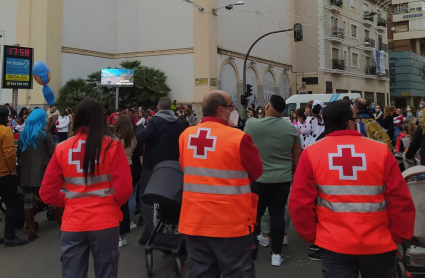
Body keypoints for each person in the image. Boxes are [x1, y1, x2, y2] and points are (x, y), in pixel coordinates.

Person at [289, 99, 415, 278]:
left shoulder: (311, 153)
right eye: (355, 119)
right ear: (349, 123)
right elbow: (400, 199)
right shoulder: (380, 151)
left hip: (334, 244)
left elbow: (299, 202)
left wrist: (313, 235)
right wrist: (398, 236)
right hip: (379, 243)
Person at [40, 98, 133, 278]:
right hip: (106, 223)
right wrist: (109, 203)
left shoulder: (62, 148)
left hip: (73, 224)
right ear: (101, 119)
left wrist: (67, 200)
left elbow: (46, 193)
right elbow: (124, 191)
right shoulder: (113, 146)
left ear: (77, 118)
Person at [179, 90, 263, 277]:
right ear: (220, 110)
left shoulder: (186, 135)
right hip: (231, 223)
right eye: (231, 106)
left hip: (194, 221)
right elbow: (257, 172)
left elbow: (186, 167)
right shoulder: (238, 138)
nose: (233, 110)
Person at [245, 95, 301, 266]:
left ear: (267, 105)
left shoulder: (252, 124)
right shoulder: (291, 128)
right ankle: (276, 255)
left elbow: (244, 149)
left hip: (258, 179)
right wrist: (292, 174)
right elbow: (297, 157)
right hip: (282, 179)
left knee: (254, 215)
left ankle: (249, 250)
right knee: (277, 214)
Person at [136, 96, 185, 244]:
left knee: (144, 194)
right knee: (167, 197)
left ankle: (149, 228)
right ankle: (168, 229)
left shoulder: (154, 122)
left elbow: (140, 137)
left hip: (152, 165)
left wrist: (139, 126)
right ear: (171, 108)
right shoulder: (179, 123)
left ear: (158, 108)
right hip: (172, 166)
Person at [17, 109, 55, 241]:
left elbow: (18, 154)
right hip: (44, 170)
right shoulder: (44, 133)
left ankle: (30, 230)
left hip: (27, 172)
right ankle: (62, 223)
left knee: (28, 201)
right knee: (52, 197)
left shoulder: (24, 134)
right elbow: (54, 152)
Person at [0, 106, 28, 247]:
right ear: (5, 117)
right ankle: (9, 237)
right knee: (11, 205)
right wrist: (12, 171)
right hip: (4, 174)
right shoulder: (5, 131)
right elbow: (10, 154)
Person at [114, 115, 137, 248]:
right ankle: (124, 234)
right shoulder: (133, 139)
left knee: (118, 203)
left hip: (118, 169)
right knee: (127, 201)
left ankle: (118, 235)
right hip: (130, 167)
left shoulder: (115, 139)